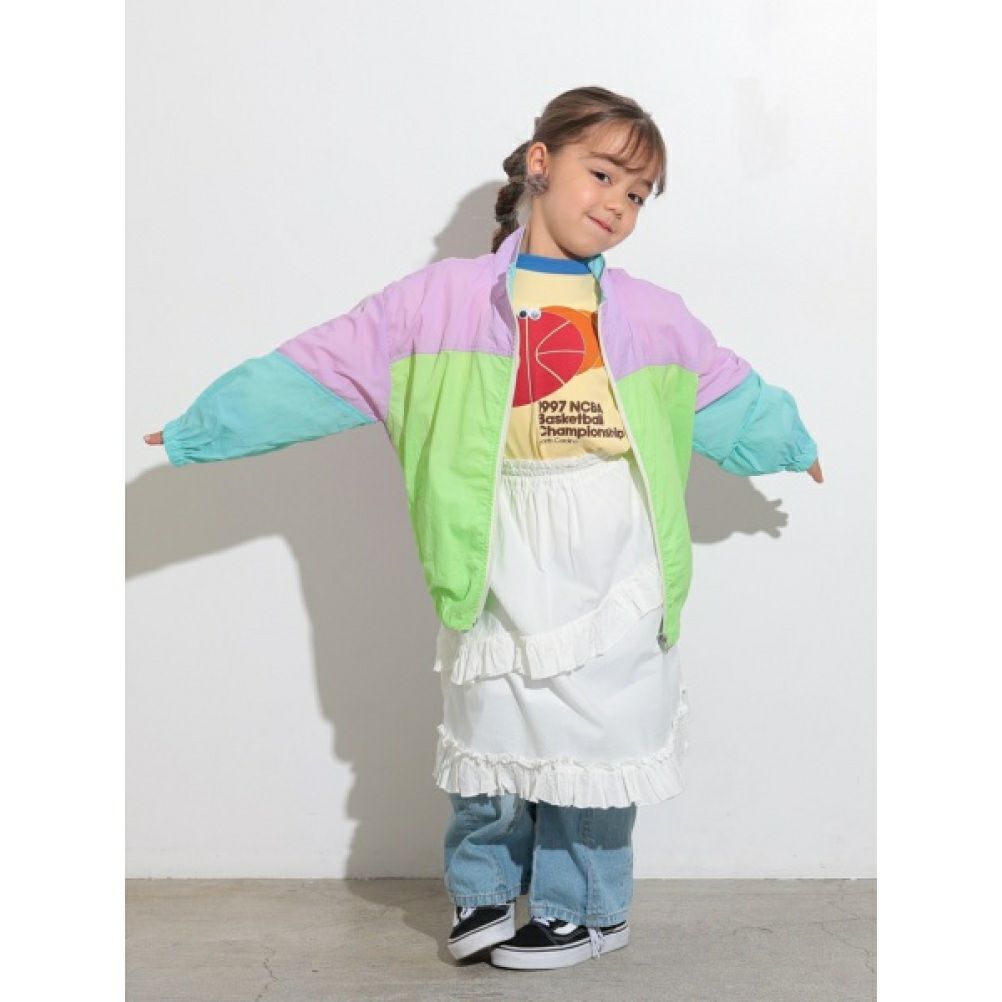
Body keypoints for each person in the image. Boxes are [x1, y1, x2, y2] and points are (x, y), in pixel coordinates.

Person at [144, 85, 822, 971]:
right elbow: (320, 366)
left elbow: (727, 389)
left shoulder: (654, 314)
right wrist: (202, 428)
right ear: (541, 162)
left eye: (637, 194)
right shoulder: (437, 304)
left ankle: (587, 904)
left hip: (612, 541)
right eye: (602, 174)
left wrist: (791, 442)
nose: (617, 204)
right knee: (492, 718)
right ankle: (486, 889)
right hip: (497, 533)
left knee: (595, 730)